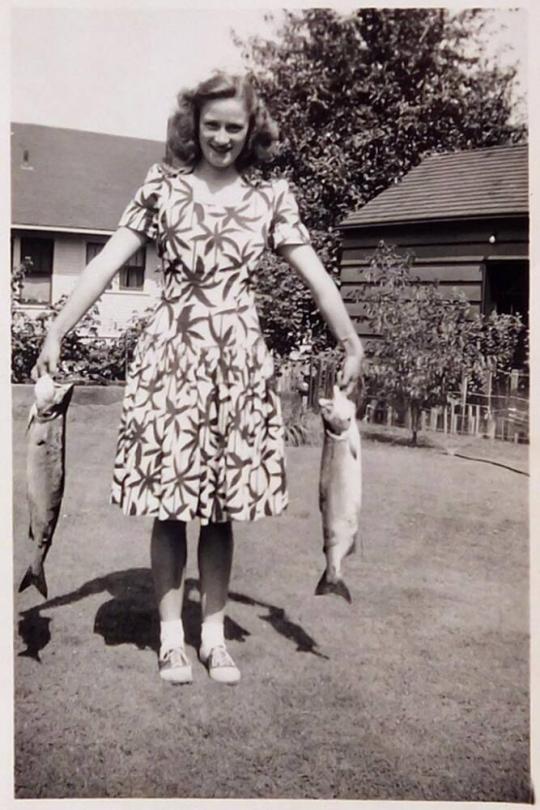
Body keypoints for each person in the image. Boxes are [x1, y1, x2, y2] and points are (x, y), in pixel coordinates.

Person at [34, 71, 364, 686]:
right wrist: (56, 330)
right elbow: (106, 262)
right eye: (211, 125)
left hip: (237, 364)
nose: (220, 137)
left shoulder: (271, 197)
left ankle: (212, 638)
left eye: (232, 127)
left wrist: (349, 339)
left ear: (250, 130)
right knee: (169, 507)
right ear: (194, 125)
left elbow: (315, 275)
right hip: (171, 360)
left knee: (219, 513)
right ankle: (170, 640)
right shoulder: (163, 188)